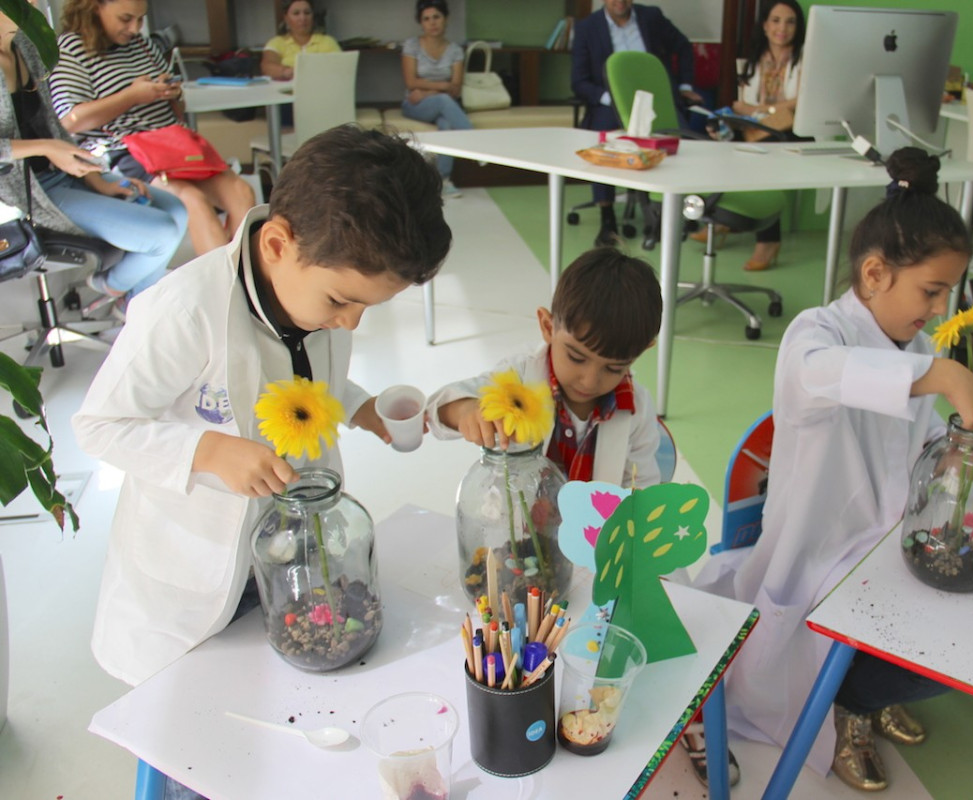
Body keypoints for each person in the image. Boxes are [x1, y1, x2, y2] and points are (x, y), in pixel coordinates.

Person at [73, 125, 450, 696]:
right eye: (341, 301)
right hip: (196, 568)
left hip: (288, 550)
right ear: (277, 245)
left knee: (275, 689)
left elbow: (302, 376)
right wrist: (207, 450)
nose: (350, 322)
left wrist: (359, 406)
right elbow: (100, 426)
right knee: (191, 705)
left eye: (366, 307)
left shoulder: (312, 293)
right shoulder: (184, 311)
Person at [692, 148, 973, 791]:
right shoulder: (818, 332)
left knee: (968, 635)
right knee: (869, 646)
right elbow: (818, 375)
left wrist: (957, 449)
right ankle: (853, 705)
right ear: (875, 272)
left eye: (948, 292)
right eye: (932, 291)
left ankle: (866, 694)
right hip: (819, 559)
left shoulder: (914, 346)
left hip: (883, 550)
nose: (940, 308)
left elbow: (916, 436)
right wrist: (938, 373)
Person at [0, 7, 185, 314]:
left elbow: (53, 125)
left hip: (64, 172)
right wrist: (46, 148)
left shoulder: (26, 47)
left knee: (175, 209)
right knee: (162, 233)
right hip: (28, 195)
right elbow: (51, 138)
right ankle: (115, 291)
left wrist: (96, 179)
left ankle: (133, 307)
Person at [428, 247, 662, 487]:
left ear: (642, 350)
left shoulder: (637, 407)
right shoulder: (519, 374)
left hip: (601, 512)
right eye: (576, 357)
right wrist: (466, 409)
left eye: (613, 368)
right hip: (522, 511)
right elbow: (437, 412)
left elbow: (643, 485)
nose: (590, 380)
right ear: (548, 327)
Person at [50, 0, 256, 256]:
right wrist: (132, 96)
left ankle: (239, 270)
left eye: (140, 19)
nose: (135, 28)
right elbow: (70, 121)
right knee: (194, 202)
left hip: (172, 144)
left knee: (242, 193)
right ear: (95, 7)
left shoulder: (143, 46)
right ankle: (224, 277)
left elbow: (178, 108)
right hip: (125, 152)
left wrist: (172, 93)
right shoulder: (71, 49)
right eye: (126, 19)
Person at [572, 0, 702, 247]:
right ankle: (607, 218)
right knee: (604, 140)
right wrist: (611, 98)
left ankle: (675, 209)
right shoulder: (587, 28)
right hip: (610, 103)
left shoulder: (651, 17)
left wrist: (685, 85)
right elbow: (578, 81)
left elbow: (684, 46)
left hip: (656, 100)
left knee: (682, 137)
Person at [730, 0, 805, 271]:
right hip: (758, 127)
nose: (782, 28)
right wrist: (754, 112)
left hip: (794, 130)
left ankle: (769, 240)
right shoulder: (754, 60)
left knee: (761, 152)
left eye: (790, 21)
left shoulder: (805, 59)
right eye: (775, 20)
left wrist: (760, 110)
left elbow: (802, 100)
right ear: (764, 25)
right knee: (721, 137)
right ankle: (726, 215)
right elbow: (740, 105)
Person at [402, 0, 471, 198]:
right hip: (415, 104)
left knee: (446, 123)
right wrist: (443, 87)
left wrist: (427, 91)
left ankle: (442, 181)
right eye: (426, 19)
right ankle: (477, 141)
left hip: (440, 102)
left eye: (436, 17)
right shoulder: (412, 45)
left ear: (446, 19)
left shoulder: (455, 50)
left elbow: (455, 88)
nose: (432, 22)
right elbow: (411, 82)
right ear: (421, 23)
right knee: (444, 101)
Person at [260, 0, 341, 82]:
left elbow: (340, 68)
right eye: (296, 13)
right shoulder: (276, 43)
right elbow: (267, 67)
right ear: (286, 18)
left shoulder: (328, 42)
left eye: (307, 13)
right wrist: (287, 71)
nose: (303, 18)